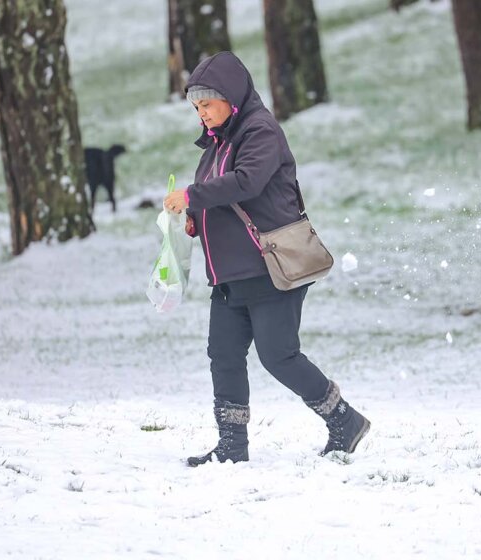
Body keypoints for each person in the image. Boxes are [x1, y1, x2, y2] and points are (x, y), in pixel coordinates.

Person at [162, 51, 370, 466]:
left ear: (231, 96)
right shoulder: (216, 144)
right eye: (197, 108)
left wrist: (191, 195)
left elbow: (246, 182)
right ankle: (232, 446)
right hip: (229, 275)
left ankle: (344, 420)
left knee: (279, 356)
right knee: (223, 355)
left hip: (270, 269)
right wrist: (195, 220)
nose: (202, 114)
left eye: (208, 104)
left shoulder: (260, 131)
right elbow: (221, 198)